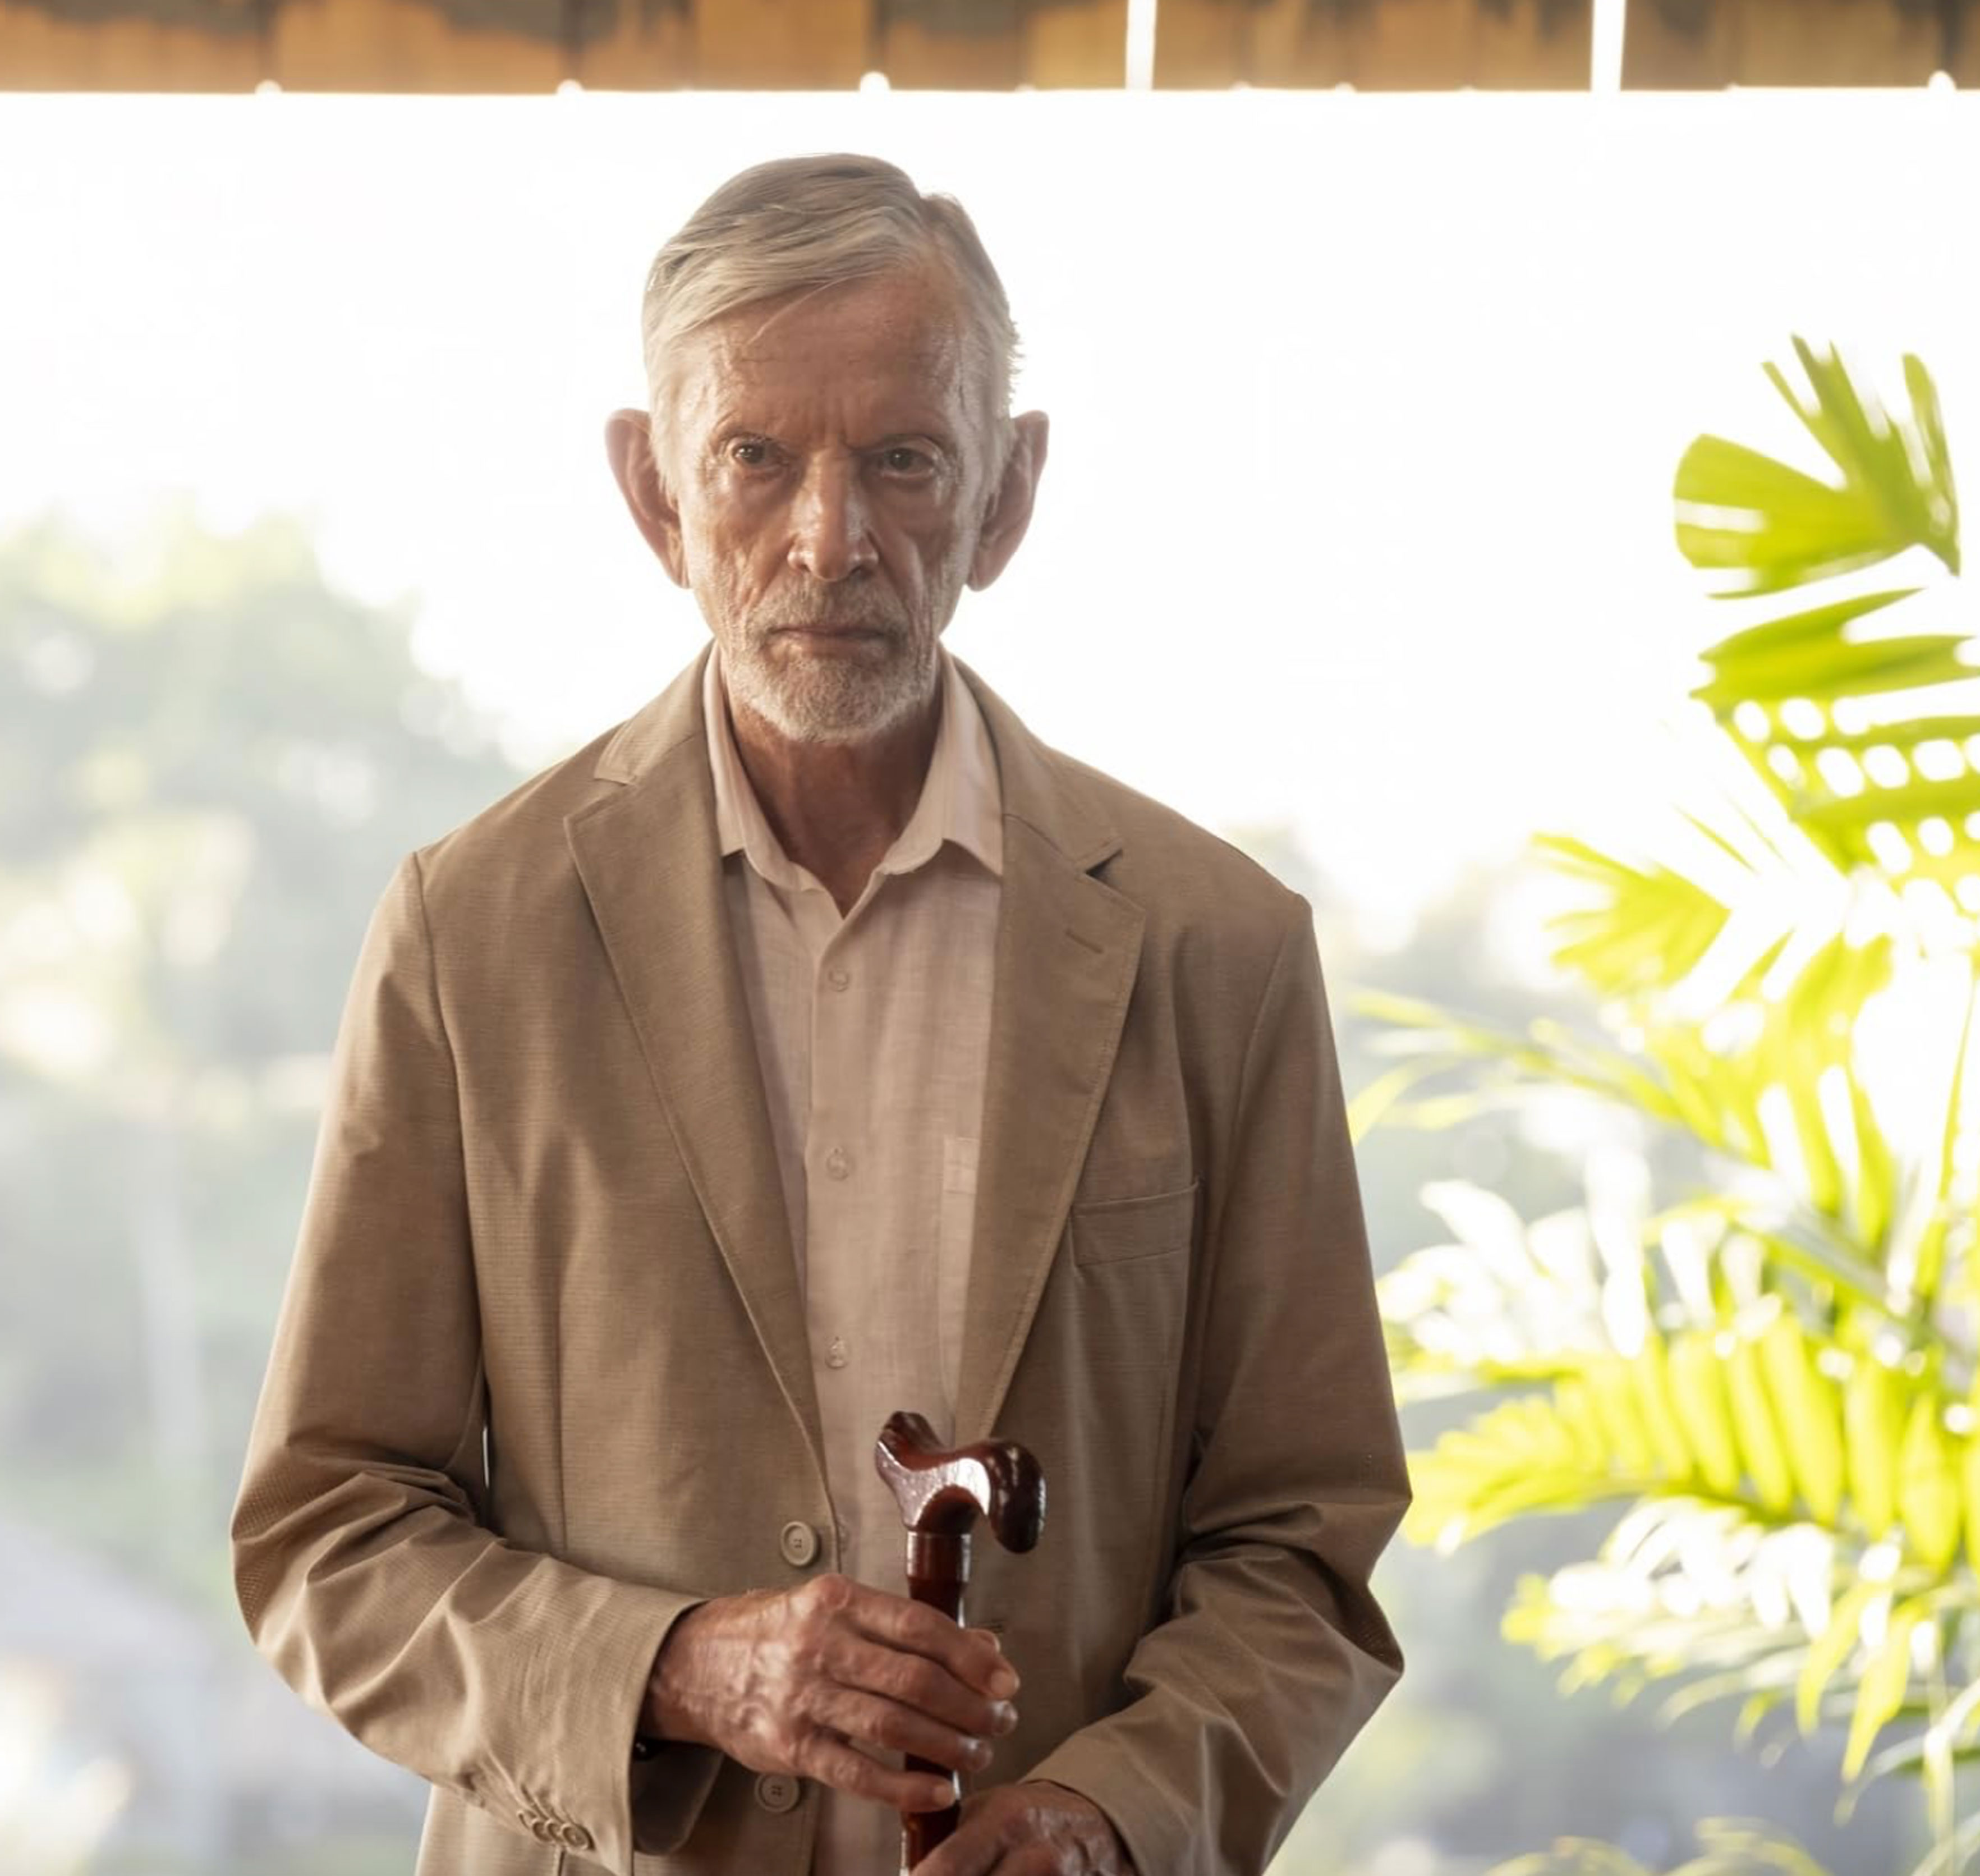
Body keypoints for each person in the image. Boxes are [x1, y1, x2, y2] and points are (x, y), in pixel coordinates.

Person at [229, 152, 1408, 1876]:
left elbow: (1304, 1543)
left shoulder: (1217, 948)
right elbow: (327, 1535)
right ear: (655, 494)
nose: (830, 540)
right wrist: (680, 1668)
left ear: (1006, 493)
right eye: (755, 458)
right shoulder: (468, 932)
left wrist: (1121, 1812)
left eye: (904, 460)